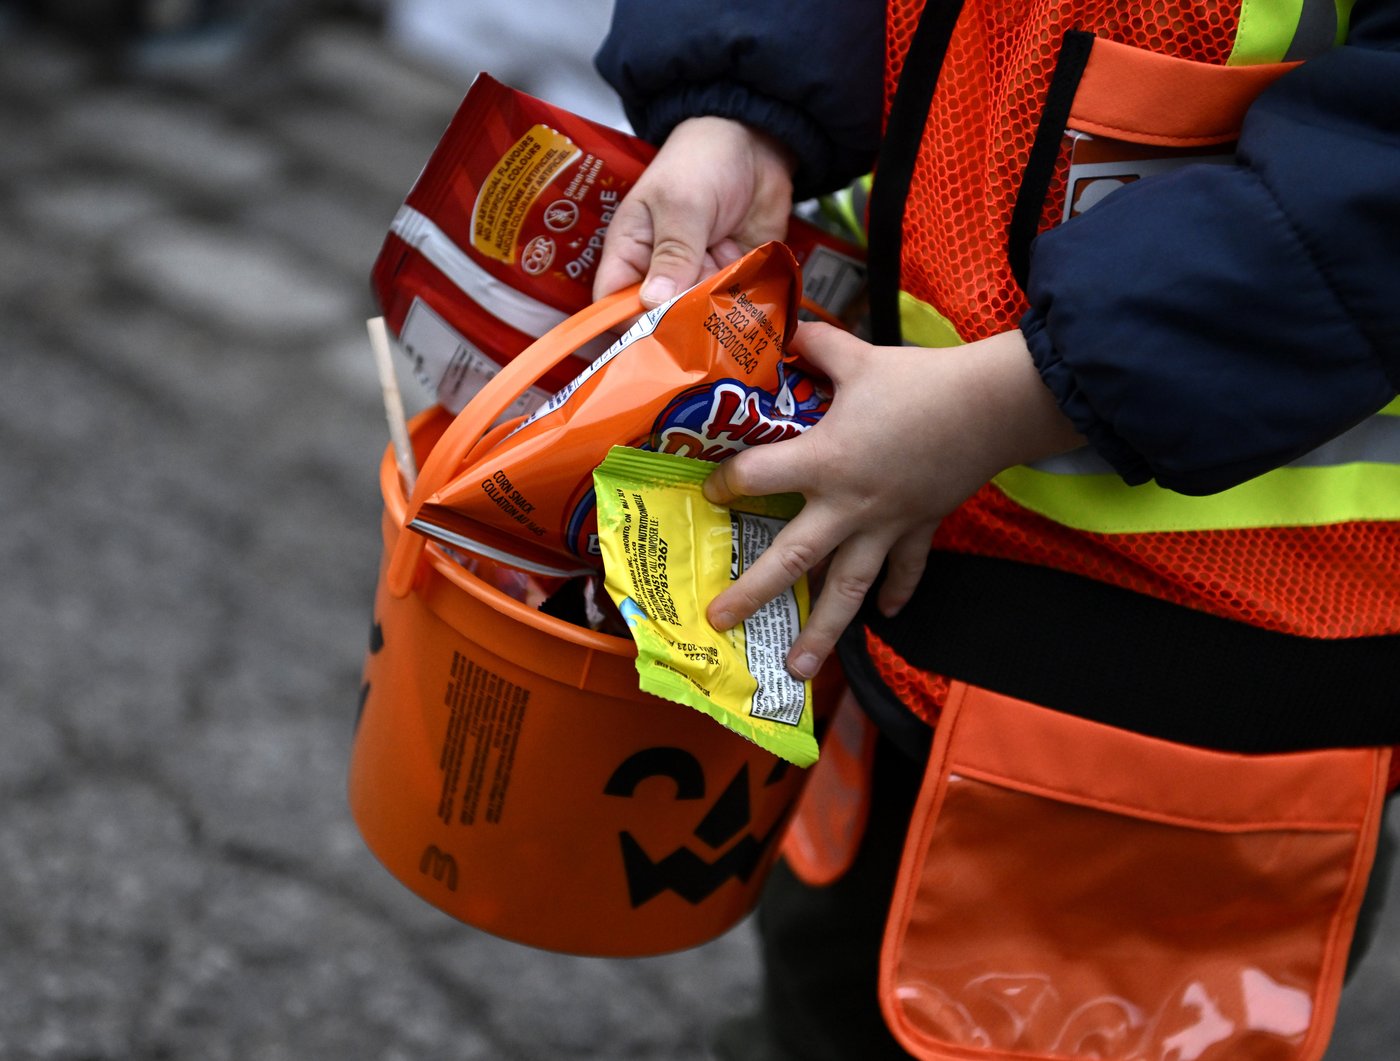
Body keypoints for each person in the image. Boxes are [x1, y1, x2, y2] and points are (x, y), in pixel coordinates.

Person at [591, 1, 1400, 1059]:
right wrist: (740, 110)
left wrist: (1004, 401)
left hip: (1198, 685)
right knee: (827, 968)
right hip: (899, 577)